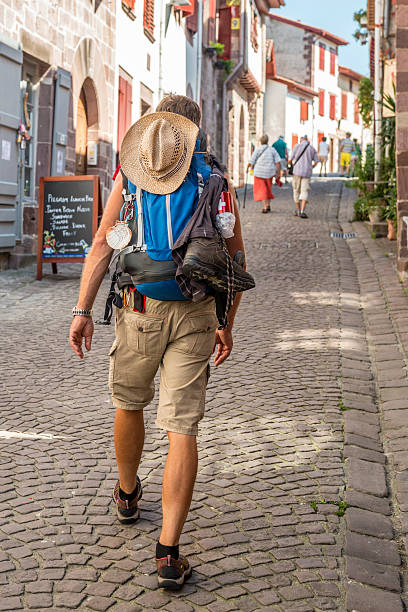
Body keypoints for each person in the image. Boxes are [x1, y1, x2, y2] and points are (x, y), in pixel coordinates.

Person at [69, 95, 246, 590]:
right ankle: (169, 551)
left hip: (138, 308)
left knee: (129, 403)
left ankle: (127, 494)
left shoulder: (131, 177)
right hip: (195, 312)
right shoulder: (216, 182)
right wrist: (226, 322)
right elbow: (237, 262)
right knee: (182, 427)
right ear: (194, 136)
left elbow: (103, 241)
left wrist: (83, 311)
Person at [247, 134, 281, 213]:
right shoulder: (272, 150)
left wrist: (248, 167)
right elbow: (277, 162)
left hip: (259, 173)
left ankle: (265, 207)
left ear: (260, 141)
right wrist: (278, 173)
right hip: (269, 172)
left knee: (262, 190)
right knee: (268, 188)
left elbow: (252, 160)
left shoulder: (258, 149)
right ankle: (268, 204)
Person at [289, 135, 319, 218]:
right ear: (307, 140)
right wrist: (311, 167)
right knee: (304, 191)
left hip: (297, 172)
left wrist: (292, 166)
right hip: (307, 172)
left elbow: (290, 160)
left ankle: (298, 210)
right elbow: (316, 161)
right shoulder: (312, 148)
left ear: (300, 140)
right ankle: (302, 211)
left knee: (296, 190)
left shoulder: (296, 147)